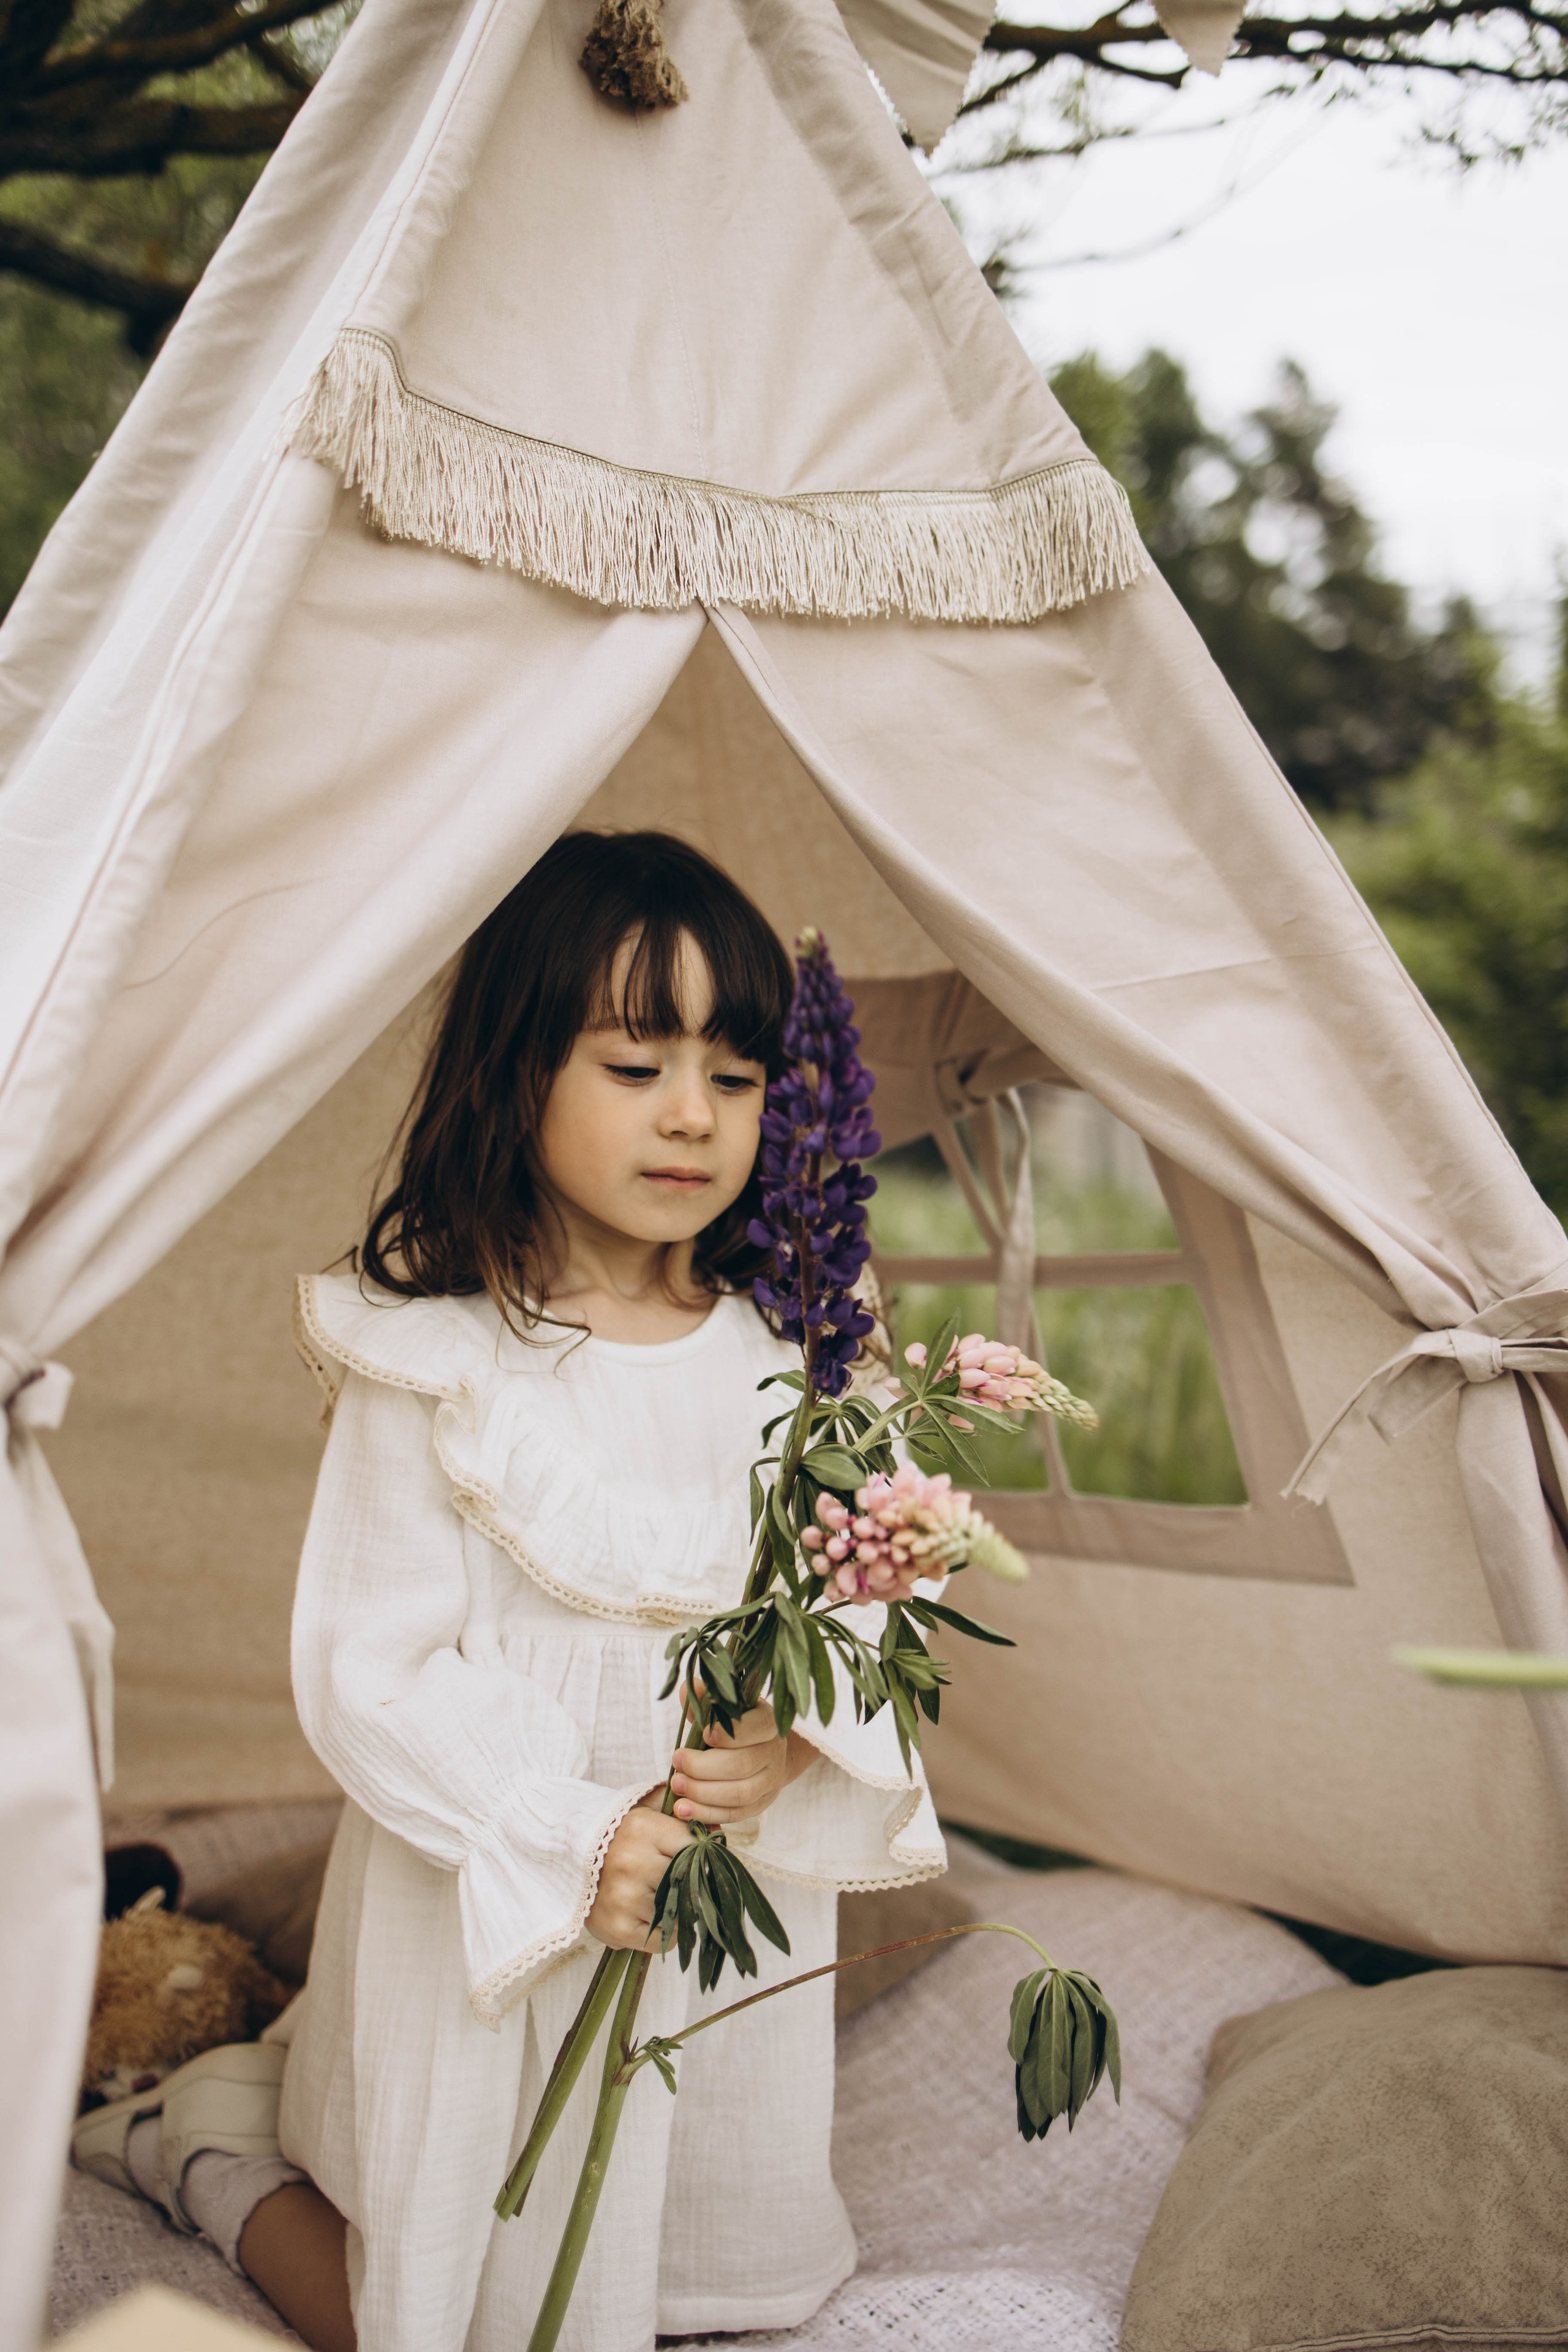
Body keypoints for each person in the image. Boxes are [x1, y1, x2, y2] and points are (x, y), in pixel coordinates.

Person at [78, 831, 944, 2352]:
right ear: (517, 1067)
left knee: (701, 2277)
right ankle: (203, 2143)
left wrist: (798, 1737)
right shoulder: (433, 1354)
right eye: (633, 1063)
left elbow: (865, 1591)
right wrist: (572, 1834)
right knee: (433, 2310)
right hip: (496, 1894)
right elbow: (375, 1667)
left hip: (717, 1895)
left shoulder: (802, 1351)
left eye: (736, 1076)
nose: (692, 1115)